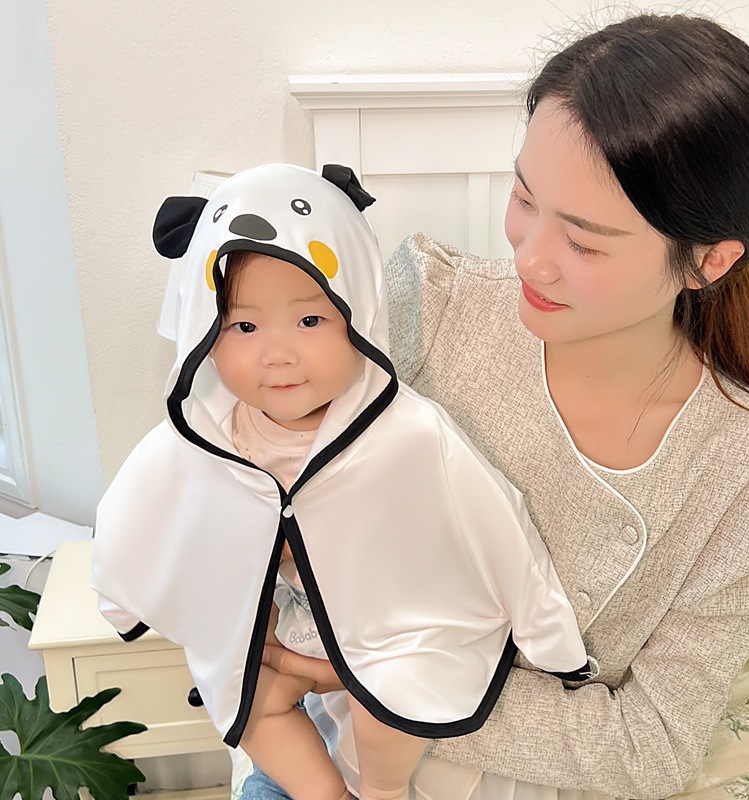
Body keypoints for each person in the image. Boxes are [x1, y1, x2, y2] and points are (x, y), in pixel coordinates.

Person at [239, 13, 749, 800]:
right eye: (524, 198)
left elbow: (652, 749)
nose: (531, 257)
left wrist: (385, 676)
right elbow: (250, 483)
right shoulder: (429, 305)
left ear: (708, 261)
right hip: (323, 765)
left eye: (586, 242)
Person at [91, 163, 596, 800]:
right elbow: (132, 516)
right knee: (245, 701)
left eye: (309, 322)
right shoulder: (204, 437)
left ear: (358, 314)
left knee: (392, 701)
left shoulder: (407, 431)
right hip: (280, 623)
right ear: (207, 337)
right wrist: (123, 600)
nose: (278, 354)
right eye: (244, 326)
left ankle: (381, 790)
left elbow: (499, 523)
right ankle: (322, 793)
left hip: (388, 623)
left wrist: (552, 642)